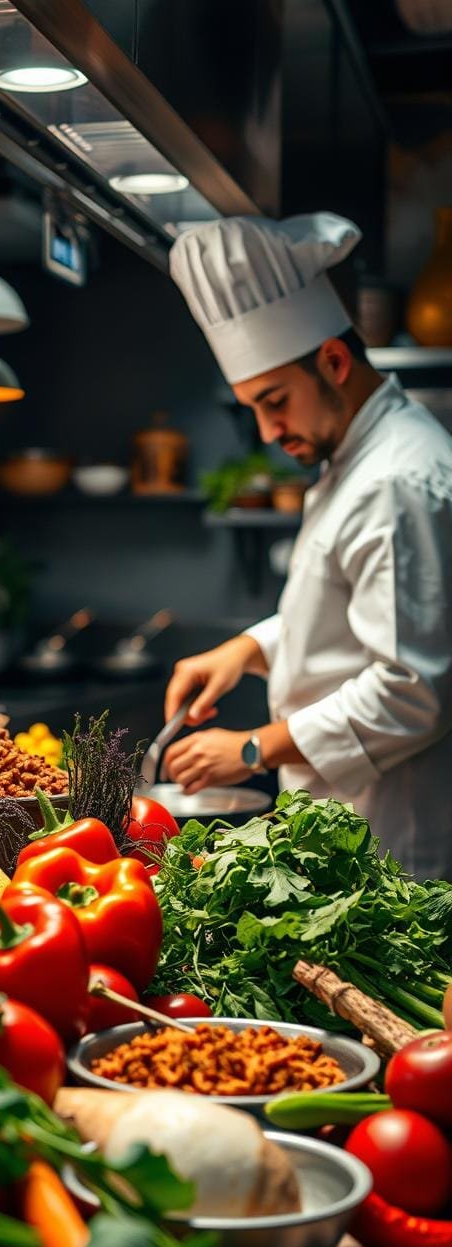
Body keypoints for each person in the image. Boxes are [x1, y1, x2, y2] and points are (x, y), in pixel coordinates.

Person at [163, 212, 452, 880]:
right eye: (253, 409)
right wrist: (247, 650)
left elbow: (412, 689)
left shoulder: (399, 478)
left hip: (393, 843)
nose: (268, 431)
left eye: (275, 402)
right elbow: (352, 610)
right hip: (347, 829)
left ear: (333, 360)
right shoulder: (357, 458)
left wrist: (249, 751)